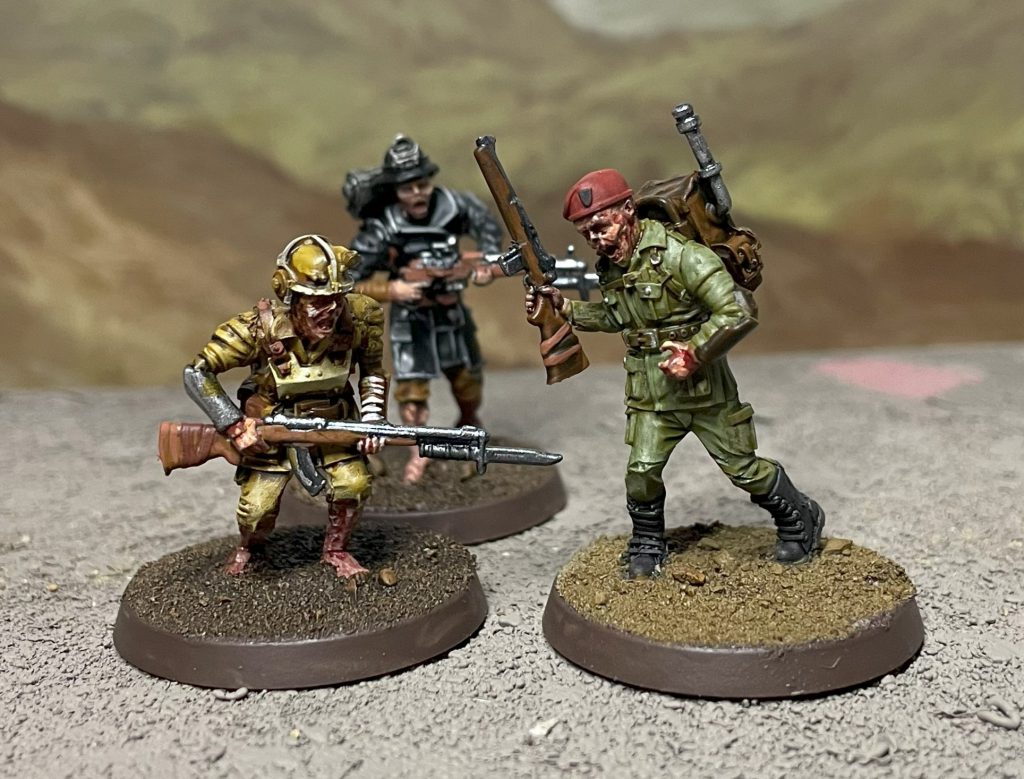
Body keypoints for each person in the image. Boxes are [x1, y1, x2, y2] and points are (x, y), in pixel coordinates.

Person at [528, 169, 825, 578]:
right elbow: (619, 317)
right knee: (641, 471)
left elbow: (739, 310)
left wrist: (696, 353)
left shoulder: (683, 255)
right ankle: (648, 541)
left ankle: (800, 517)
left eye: (600, 226)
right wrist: (566, 310)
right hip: (651, 392)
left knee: (742, 468)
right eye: (586, 233)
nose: (595, 239)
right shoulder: (613, 267)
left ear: (627, 210)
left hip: (706, 391)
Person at [183, 234, 388, 577]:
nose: (330, 311)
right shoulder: (256, 328)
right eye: (317, 302)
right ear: (290, 295)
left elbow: (373, 372)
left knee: (354, 485)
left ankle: (336, 550)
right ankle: (250, 549)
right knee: (256, 510)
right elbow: (197, 373)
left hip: (334, 426)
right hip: (272, 432)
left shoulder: (361, 319)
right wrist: (234, 425)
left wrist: (372, 419)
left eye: (337, 300)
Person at [348, 135, 503, 483]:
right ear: (395, 190)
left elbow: (487, 225)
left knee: (468, 382)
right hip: (410, 316)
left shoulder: (455, 205)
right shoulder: (383, 226)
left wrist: (486, 263)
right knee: (412, 392)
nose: (417, 193)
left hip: (450, 312)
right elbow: (349, 279)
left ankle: (468, 431)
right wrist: (392, 289)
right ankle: (418, 450)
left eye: (422, 184)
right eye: (407, 188)